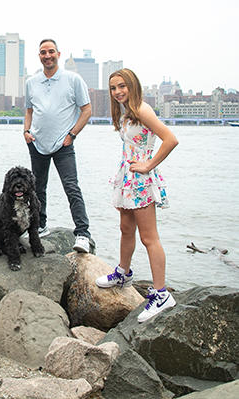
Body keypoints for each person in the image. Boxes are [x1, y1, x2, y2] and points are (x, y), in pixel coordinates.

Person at [95, 68, 178, 322]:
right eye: (113, 88)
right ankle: (123, 272)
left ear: (132, 86)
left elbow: (170, 139)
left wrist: (148, 165)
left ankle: (162, 294)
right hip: (128, 177)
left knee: (149, 238)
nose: (118, 91)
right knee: (126, 228)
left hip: (140, 179)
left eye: (122, 86)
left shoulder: (142, 110)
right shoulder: (126, 113)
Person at [24, 38, 93, 253]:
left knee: (71, 188)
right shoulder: (31, 82)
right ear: (39, 56)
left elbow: (87, 110)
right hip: (37, 144)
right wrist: (26, 132)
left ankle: (82, 234)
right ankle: (40, 225)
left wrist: (72, 135)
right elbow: (29, 110)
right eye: (43, 52)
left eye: (51, 51)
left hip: (63, 144)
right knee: (37, 189)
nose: (47, 55)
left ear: (58, 54)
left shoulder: (73, 79)